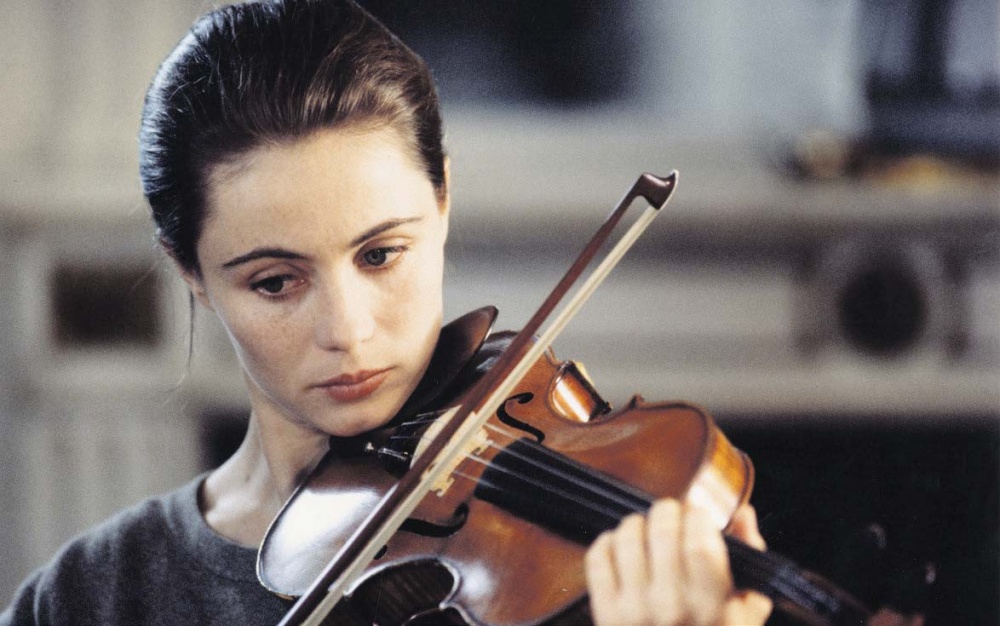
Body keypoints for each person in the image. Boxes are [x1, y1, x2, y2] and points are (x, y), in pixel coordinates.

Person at [0, 1, 918, 625]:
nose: (348, 331)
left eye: (381, 255)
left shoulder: (586, 582)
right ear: (191, 272)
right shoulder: (92, 596)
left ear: (441, 203)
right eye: (275, 282)